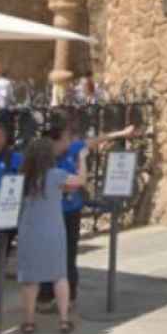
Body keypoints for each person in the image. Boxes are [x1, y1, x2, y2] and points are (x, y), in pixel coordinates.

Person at [38, 117, 136, 310]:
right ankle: (46, 296)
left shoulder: (73, 149)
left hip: (70, 212)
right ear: (54, 141)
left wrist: (122, 134)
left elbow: (98, 140)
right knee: (48, 255)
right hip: (51, 213)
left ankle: (69, 297)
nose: (70, 141)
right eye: (66, 138)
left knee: (69, 255)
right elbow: (64, 185)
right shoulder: (44, 159)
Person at [14, 138, 85, 334]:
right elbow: (80, 181)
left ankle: (29, 322)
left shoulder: (23, 177)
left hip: (29, 230)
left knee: (30, 279)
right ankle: (63, 320)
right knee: (59, 275)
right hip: (53, 230)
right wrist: (82, 160)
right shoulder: (56, 175)